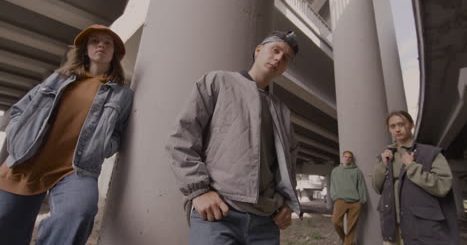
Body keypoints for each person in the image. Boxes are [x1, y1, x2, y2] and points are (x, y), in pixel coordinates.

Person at [0, 24, 133, 245]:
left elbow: (118, 134)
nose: (101, 45)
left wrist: (102, 147)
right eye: (95, 41)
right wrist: (17, 134)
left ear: (115, 53)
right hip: (28, 159)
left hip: (75, 168)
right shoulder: (58, 79)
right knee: (5, 223)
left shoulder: (122, 93)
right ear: (85, 49)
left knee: (79, 212)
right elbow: (18, 110)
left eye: (107, 42)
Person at [166, 31, 302, 244]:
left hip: (265, 223)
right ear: (258, 51)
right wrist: (198, 191)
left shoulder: (282, 110)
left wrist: (286, 204)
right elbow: (182, 138)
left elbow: (289, 164)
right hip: (218, 212)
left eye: (285, 58)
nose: (278, 58)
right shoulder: (218, 81)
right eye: (275, 50)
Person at [372, 110, 459, 245]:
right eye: (393, 126)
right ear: (389, 129)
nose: (397, 129)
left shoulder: (430, 153)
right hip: (391, 228)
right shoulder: (387, 156)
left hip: (421, 228)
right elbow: (377, 188)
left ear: (411, 125)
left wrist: (411, 166)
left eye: (401, 124)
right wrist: (382, 166)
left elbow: (443, 186)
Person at [330, 150, 367, 245]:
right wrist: (335, 197)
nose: (347, 158)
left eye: (349, 157)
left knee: (351, 227)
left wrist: (362, 201)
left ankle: (347, 243)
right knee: (335, 222)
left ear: (351, 159)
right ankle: (347, 241)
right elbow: (332, 185)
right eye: (345, 156)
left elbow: (361, 186)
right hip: (340, 201)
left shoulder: (357, 171)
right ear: (342, 158)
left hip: (355, 203)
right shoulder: (336, 170)